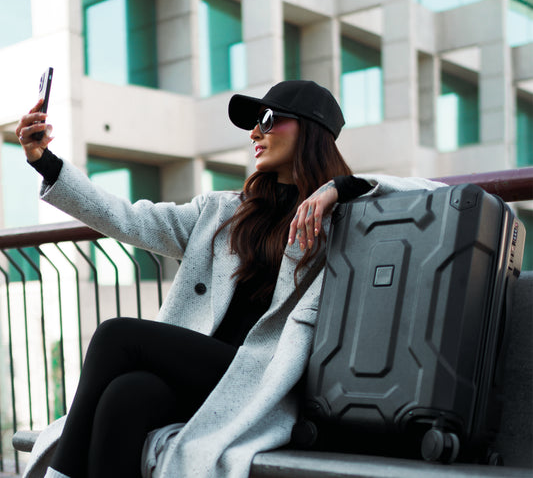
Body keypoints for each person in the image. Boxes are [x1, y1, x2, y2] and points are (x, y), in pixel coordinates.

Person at [16, 80, 445, 478]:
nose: (255, 133)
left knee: (115, 335)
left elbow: (435, 195)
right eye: (254, 124)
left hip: (262, 380)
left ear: (311, 131)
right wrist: (45, 162)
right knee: (126, 396)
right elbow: (128, 219)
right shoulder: (223, 212)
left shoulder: (346, 216)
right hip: (202, 373)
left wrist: (342, 187)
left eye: (268, 120)